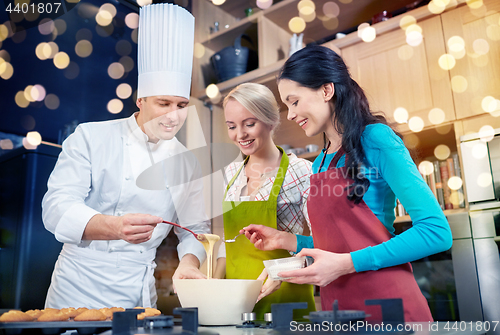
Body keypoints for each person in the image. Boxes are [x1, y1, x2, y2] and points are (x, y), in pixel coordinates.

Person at [241, 45, 453, 322]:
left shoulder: (377, 139)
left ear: (326, 91)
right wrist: (286, 240)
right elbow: (338, 246)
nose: (290, 114)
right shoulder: (320, 163)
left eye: (294, 101)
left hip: (388, 308)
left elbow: (436, 232)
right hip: (338, 312)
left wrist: (346, 264)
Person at [41, 3, 210, 309]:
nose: (173, 116)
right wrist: (115, 226)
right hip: (76, 285)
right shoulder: (92, 137)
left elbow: (196, 231)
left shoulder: (188, 162)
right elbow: (55, 209)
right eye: (163, 103)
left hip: (137, 291)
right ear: (140, 99)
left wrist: (189, 264)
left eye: (182, 105)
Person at [214, 83, 315, 321]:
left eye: (249, 124)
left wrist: (278, 273)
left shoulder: (301, 172)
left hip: (287, 302)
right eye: (232, 126)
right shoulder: (232, 173)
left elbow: (322, 245)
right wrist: (214, 285)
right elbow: (228, 244)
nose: (240, 135)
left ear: (270, 120)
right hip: (238, 303)